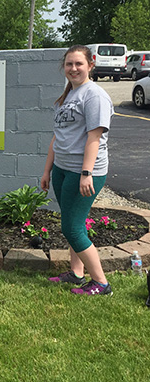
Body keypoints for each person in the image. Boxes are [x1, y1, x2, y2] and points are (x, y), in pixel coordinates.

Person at [41, 45, 114, 296]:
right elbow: (57, 137)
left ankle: (101, 283)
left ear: (90, 65)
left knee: (72, 227)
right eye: (69, 64)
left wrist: (86, 173)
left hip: (82, 171)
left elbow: (94, 137)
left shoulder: (94, 95)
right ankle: (76, 272)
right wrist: (47, 170)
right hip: (62, 168)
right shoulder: (68, 95)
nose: (73, 69)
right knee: (74, 222)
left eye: (78, 64)